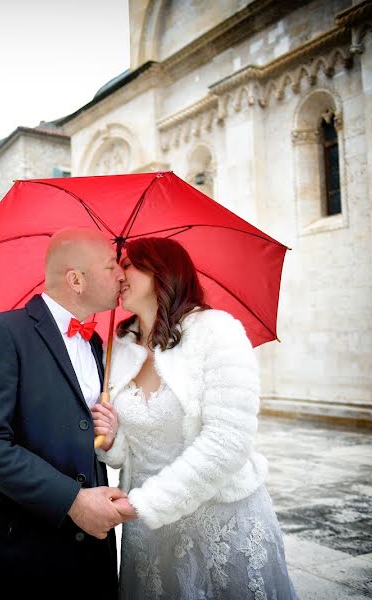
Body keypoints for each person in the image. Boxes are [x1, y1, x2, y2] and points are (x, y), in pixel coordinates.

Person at [91, 237, 297, 599]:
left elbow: (228, 441)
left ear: (161, 272)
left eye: (128, 264)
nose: (119, 274)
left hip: (219, 521)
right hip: (149, 537)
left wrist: (144, 503)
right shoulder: (117, 346)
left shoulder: (218, 331)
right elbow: (128, 449)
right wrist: (111, 441)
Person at [0, 228, 136, 599]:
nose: (121, 275)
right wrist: (72, 501)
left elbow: (77, 427)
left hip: (89, 555)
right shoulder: (2, 333)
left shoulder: (98, 342)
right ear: (76, 280)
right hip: (21, 551)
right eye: (111, 266)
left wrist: (105, 434)